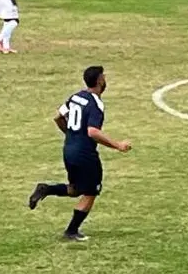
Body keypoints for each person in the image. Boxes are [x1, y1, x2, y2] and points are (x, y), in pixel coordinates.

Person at [28, 66, 132, 241]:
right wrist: (118, 145)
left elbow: (58, 117)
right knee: (91, 191)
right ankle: (71, 231)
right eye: (104, 77)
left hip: (69, 149)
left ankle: (46, 189)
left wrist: (71, 135)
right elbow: (93, 132)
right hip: (84, 154)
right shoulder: (96, 104)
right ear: (99, 81)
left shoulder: (76, 97)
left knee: (76, 189)